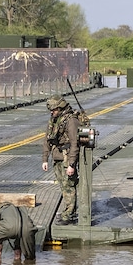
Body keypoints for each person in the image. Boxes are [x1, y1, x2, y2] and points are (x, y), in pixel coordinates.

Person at [42, 94, 80, 225]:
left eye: (54, 109)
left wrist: (71, 164)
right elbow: (47, 139)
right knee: (63, 186)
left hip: (66, 157)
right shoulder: (54, 119)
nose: (52, 112)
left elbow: (74, 143)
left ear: (60, 107)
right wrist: (45, 158)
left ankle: (69, 214)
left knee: (69, 186)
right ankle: (68, 210)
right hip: (57, 156)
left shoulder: (71, 120)